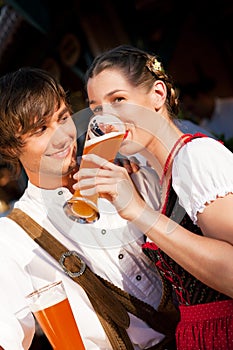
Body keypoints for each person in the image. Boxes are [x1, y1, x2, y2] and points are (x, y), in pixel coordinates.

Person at [0, 67, 179, 350]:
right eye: (41, 130)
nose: (62, 137)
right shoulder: (12, 238)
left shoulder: (127, 172)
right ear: (11, 148)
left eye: (62, 118)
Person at [75, 44, 233, 350]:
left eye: (118, 100)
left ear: (158, 94)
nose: (107, 119)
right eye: (97, 109)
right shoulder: (154, 176)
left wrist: (136, 210)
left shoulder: (196, 157)